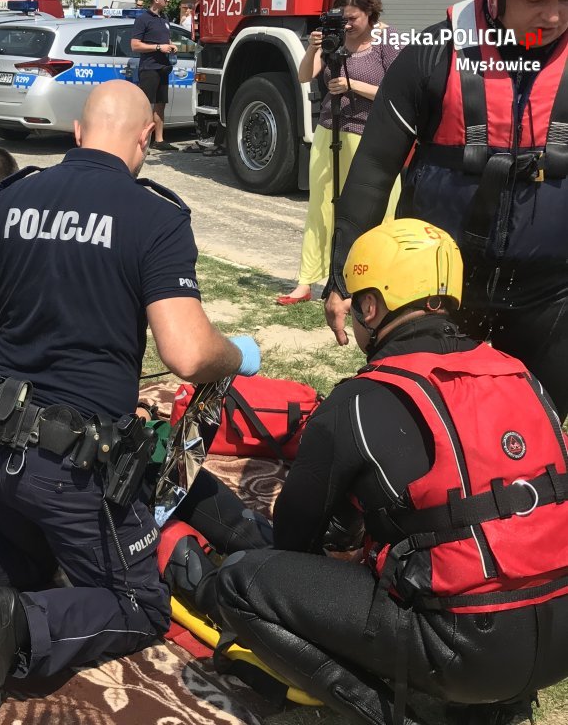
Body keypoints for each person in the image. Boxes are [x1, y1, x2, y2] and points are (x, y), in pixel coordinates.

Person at [0, 80, 262, 725]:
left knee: (19, 550)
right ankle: (19, 628)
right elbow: (186, 354)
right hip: (74, 466)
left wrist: (16, 387)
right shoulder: (155, 215)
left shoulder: (14, 199)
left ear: (77, 133)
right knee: (139, 602)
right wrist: (237, 356)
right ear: (149, 136)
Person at [165, 218, 568, 724]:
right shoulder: (520, 375)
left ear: (372, 308)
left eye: (356, 303)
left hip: (468, 650)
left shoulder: (360, 398)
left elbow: (293, 536)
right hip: (559, 637)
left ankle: (393, 716)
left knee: (244, 581)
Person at [323, 0, 568, 422]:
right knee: (425, 424)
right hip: (436, 291)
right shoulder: (434, 51)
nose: (552, 17)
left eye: (566, 1)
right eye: (535, 0)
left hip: (551, 294)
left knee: (534, 429)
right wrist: (342, 273)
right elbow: (374, 168)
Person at [277, 0, 400, 305]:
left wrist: (351, 84)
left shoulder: (386, 42)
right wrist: (313, 47)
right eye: (342, 18)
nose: (347, 24)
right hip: (329, 132)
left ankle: (372, 280)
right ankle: (306, 281)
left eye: (353, 18)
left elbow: (396, 91)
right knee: (320, 207)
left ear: (370, 14)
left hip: (370, 137)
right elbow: (305, 76)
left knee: (378, 209)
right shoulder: (334, 42)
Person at [131, 0, 180, 151]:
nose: (169, 0)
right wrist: (159, 48)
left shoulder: (164, 18)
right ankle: (140, 141)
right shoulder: (143, 19)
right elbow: (135, 45)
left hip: (163, 67)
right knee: (145, 106)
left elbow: (166, 39)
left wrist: (171, 46)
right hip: (149, 68)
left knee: (160, 105)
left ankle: (159, 140)